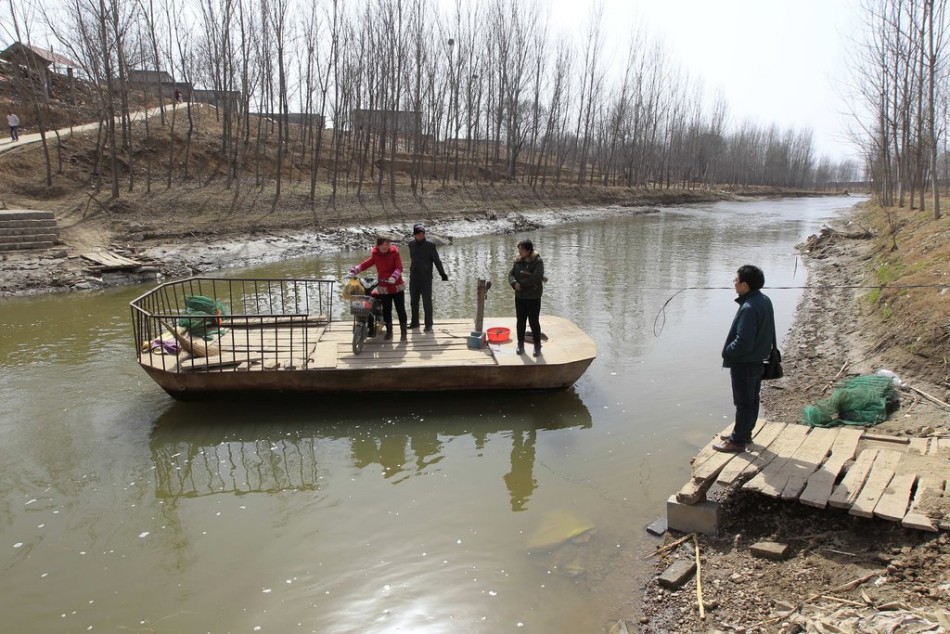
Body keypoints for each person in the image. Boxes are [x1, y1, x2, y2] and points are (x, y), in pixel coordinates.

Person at [715, 264, 776, 453]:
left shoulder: (749, 307)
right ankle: (745, 433)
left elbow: (743, 342)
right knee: (751, 400)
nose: (734, 283)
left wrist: (727, 352)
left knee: (743, 402)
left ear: (745, 285)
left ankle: (738, 440)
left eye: (736, 280)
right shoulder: (763, 300)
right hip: (757, 361)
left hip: (745, 363)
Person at [349, 237, 408, 341]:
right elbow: (366, 264)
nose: (385, 247)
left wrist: (393, 277)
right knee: (386, 310)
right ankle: (389, 332)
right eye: (383, 244)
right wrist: (354, 270)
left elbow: (399, 268)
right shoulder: (375, 255)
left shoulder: (395, 253)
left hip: (396, 285)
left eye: (387, 244)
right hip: (383, 286)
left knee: (400, 310)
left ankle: (404, 333)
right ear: (378, 246)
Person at [407, 223, 448, 332]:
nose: (421, 235)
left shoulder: (430, 245)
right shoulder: (411, 244)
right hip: (414, 278)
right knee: (413, 301)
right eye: (418, 234)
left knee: (427, 301)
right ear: (414, 235)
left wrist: (442, 273)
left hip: (426, 279)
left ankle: (428, 324)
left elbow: (436, 260)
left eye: (422, 233)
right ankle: (415, 322)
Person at [508, 239, 544, 357]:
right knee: (520, 321)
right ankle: (520, 344)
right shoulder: (518, 261)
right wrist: (514, 283)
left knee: (533, 321)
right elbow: (511, 274)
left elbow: (536, 277)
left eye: (521, 249)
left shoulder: (537, 261)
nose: (519, 251)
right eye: (519, 249)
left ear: (528, 250)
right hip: (520, 297)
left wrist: (522, 284)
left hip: (533, 297)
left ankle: (537, 346)